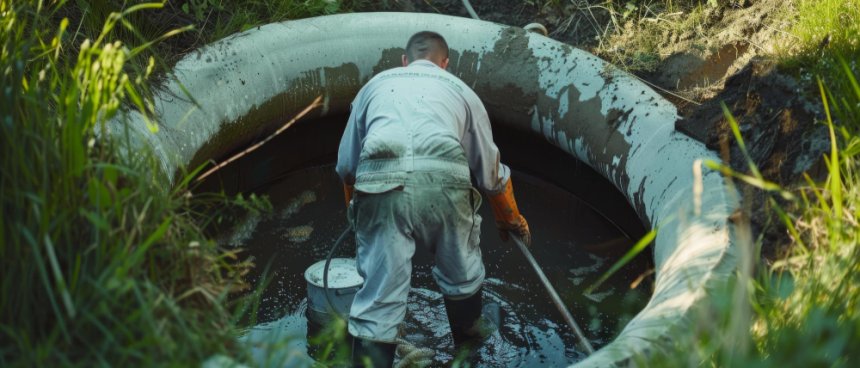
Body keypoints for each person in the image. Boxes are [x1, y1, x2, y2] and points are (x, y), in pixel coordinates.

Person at [335, 31, 530, 367]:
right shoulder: (462, 92)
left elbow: (346, 167)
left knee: (377, 306)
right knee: (463, 276)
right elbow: (491, 174)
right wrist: (510, 218)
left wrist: (359, 216)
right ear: (445, 64)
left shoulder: (374, 86)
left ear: (404, 61)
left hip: (380, 182)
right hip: (446, 179)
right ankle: (469, 354)